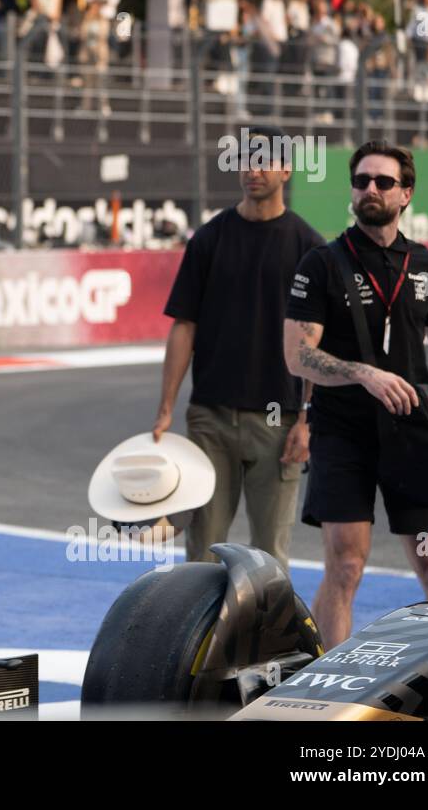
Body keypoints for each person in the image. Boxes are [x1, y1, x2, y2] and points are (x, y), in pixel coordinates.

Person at [284, 141, 428, 647]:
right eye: (361, 180)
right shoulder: (321, 263)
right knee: (345, 567)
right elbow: (298, 355)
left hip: (414, 435)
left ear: (405, 194)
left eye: (383, 182)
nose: (370, 189)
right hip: (343, 433)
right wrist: (364, 374)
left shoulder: (426, 264)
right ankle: (325, 691)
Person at [154, 126, 323, 569]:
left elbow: (314, 344)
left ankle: (268, 641)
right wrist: (167, 408)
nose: (252, 169)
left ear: (286, 169)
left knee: (269, 558)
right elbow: (183, 326)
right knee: (202, 554)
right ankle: (201, 640)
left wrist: (307, 420)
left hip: (280, 423)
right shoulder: (209, 239)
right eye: (245, 159)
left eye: (264, 160)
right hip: (210, 418)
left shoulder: (310, 249)